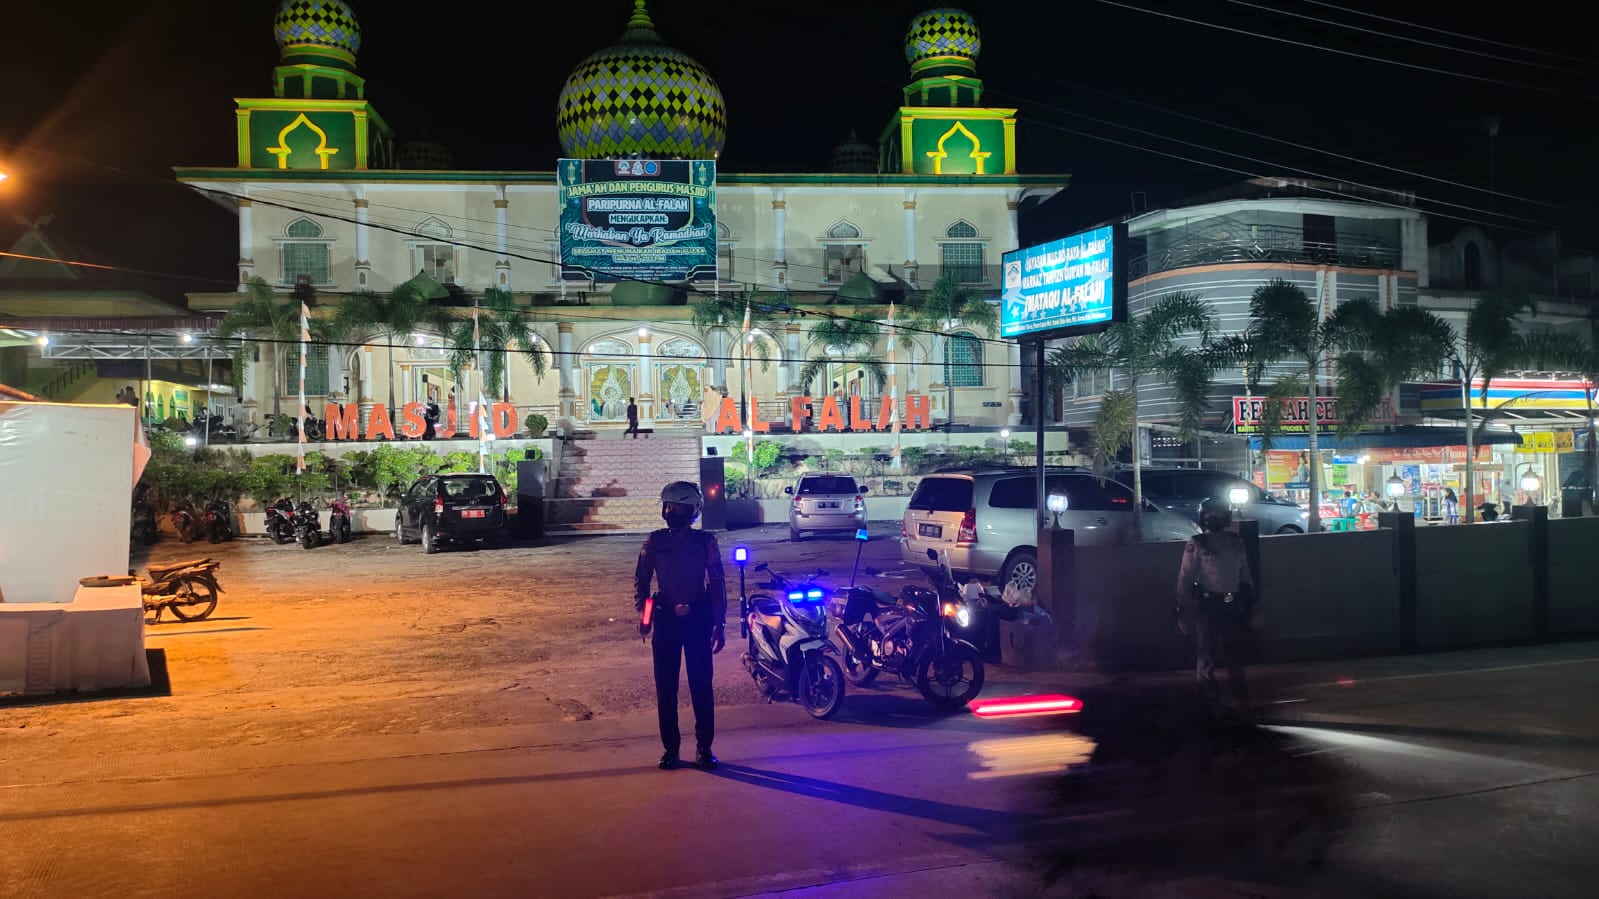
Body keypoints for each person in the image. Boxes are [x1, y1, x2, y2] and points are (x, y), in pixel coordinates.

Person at [635, 481, 727, 770]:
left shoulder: (704, 542)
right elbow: (642, 579)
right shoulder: (656, 541)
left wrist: (719, 622)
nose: (671, 511)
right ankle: (673, 749)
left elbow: (717, 583)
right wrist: (646, 614)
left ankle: (702, 748)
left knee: (700, 688)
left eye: (675, 507)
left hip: (696, 619)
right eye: (669, 506)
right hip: (669, 620)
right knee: (668, 689)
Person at [1175, 499, 1257, 711]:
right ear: (1204, 518)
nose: (1214, 519)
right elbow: (1185, 578)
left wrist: (1251, 601)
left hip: (1232, 604)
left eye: (1218, 515)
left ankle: (1239, 699)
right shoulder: (1198, 542)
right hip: (1208, 605)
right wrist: (1182, 608)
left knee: (1234, 653)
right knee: (1206, 654)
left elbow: (1244, 573)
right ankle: (1207, 698)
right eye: (1211, 515)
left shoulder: (1235, 541)